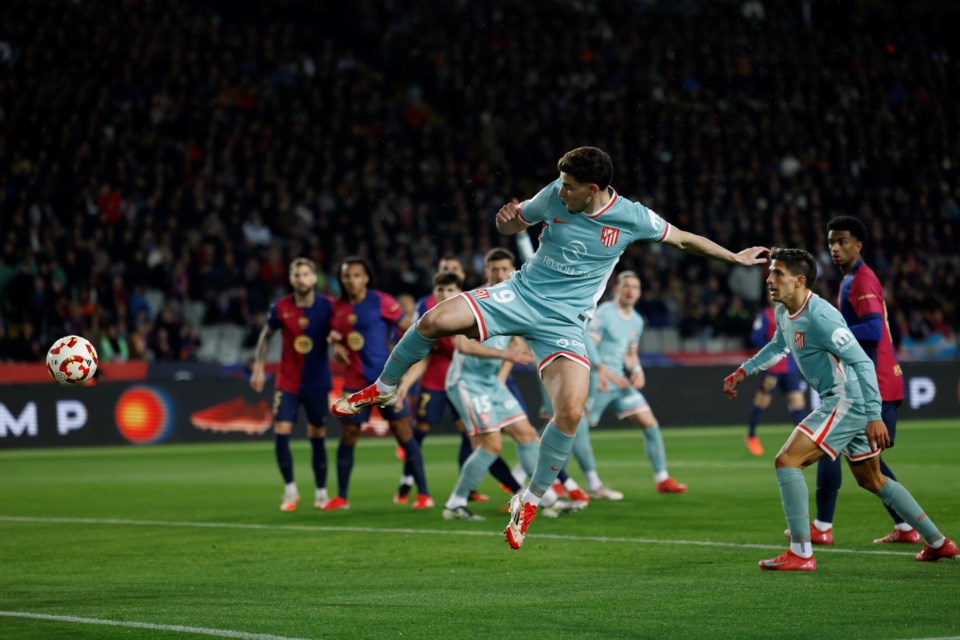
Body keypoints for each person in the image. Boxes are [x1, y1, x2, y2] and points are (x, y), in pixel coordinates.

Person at [333, 146, 767, 550]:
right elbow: (514, 222)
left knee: (571, 411)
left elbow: (684, 239)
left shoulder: (632, 217)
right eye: (560, 183)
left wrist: (733, 257)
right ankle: (384, 387)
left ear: (592, 190)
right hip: (520, 294)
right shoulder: (555, 194)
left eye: (570, 186)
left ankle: (531, 498)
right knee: (432, 320)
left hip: (565, 322)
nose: (561, 190)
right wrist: (507, 221)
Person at [723, 248, 957, 570]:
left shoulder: (821, 316)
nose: (770, 279)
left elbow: (861, 361)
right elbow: (779, 346)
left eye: (777, 273)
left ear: (800, 280)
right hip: (843, 400)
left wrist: (874, 414)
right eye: (770, 273)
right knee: (872, 480)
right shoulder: (783, 310)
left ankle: (801, 553)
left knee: (787, 461)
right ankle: (939, 543)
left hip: (846, 399)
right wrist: (743, 371)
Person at [807, 216, 915, 544]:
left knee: (832, 449)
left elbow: (872, 330)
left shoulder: (861, 280)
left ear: (859, 245)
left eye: (842, 242)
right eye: (830, 243)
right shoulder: (853, 280)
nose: (835, 248)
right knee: (870, 470)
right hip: (878, 381)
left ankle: (822, 528)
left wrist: (828, 334)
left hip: (874, 384)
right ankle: (908, 527)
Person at [441, 248, 544, 521]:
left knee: (525, 433)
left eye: (504, 269)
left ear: (513, 270)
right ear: (486, 271)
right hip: (467, 382)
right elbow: (461, 344)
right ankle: (455, 503)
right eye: (494, 269)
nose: (499, 274)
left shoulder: (517, 301)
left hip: (490, 383)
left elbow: (517, 342)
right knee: (491, 445)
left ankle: (543, 498)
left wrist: (505, 370)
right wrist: (505, 355)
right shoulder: (475, 301)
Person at [327, 256, 432, 510]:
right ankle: (341, 496)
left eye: (356, 275)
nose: (351, 280)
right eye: (346, 276)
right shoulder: (337, 308)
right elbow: (336, 337)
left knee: (403, 433)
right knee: (349, 434)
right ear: (341, 279)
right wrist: (337, 346)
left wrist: (406, 362)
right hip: (354, 383)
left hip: (386, 380)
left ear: (365, 278)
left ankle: (424, 495)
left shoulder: (381, 301)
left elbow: (411, 331)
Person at [585, 271, 686, 494]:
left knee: (650, 423)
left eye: (635, 287)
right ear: (617, 289)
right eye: (626, 286)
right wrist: (605, 372)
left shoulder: (638, 321)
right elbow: (588, 345)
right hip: (598, 380)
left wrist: (638, 370)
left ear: (640, 293)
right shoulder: (605, 312)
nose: (630, 290)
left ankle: (662, 478)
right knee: (574, 429)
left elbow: (630, 355)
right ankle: (537, 477)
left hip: (620, 382)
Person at [250, 258, 336, 512]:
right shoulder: (281, 307)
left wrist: (338, 341)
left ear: (314, 278)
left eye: (306, 274)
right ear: (291, 279)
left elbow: (340, 332)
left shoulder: (328, 306)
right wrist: (258, 366)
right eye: (296, 274)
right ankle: (290, 491)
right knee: (281, 432)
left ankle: (321, 493)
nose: (301, 278)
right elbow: (266, 336)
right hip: (287, 382)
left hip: (317, 383)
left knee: (317, 436)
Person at [743, 302, 807, 456]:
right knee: (763, 401)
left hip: (790, 368)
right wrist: (773, 346)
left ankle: (802, 441)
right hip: (773, 368)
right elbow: (755, 336)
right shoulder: (765, 315)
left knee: (798, 401)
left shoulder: (792, 312)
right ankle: (751, 436)